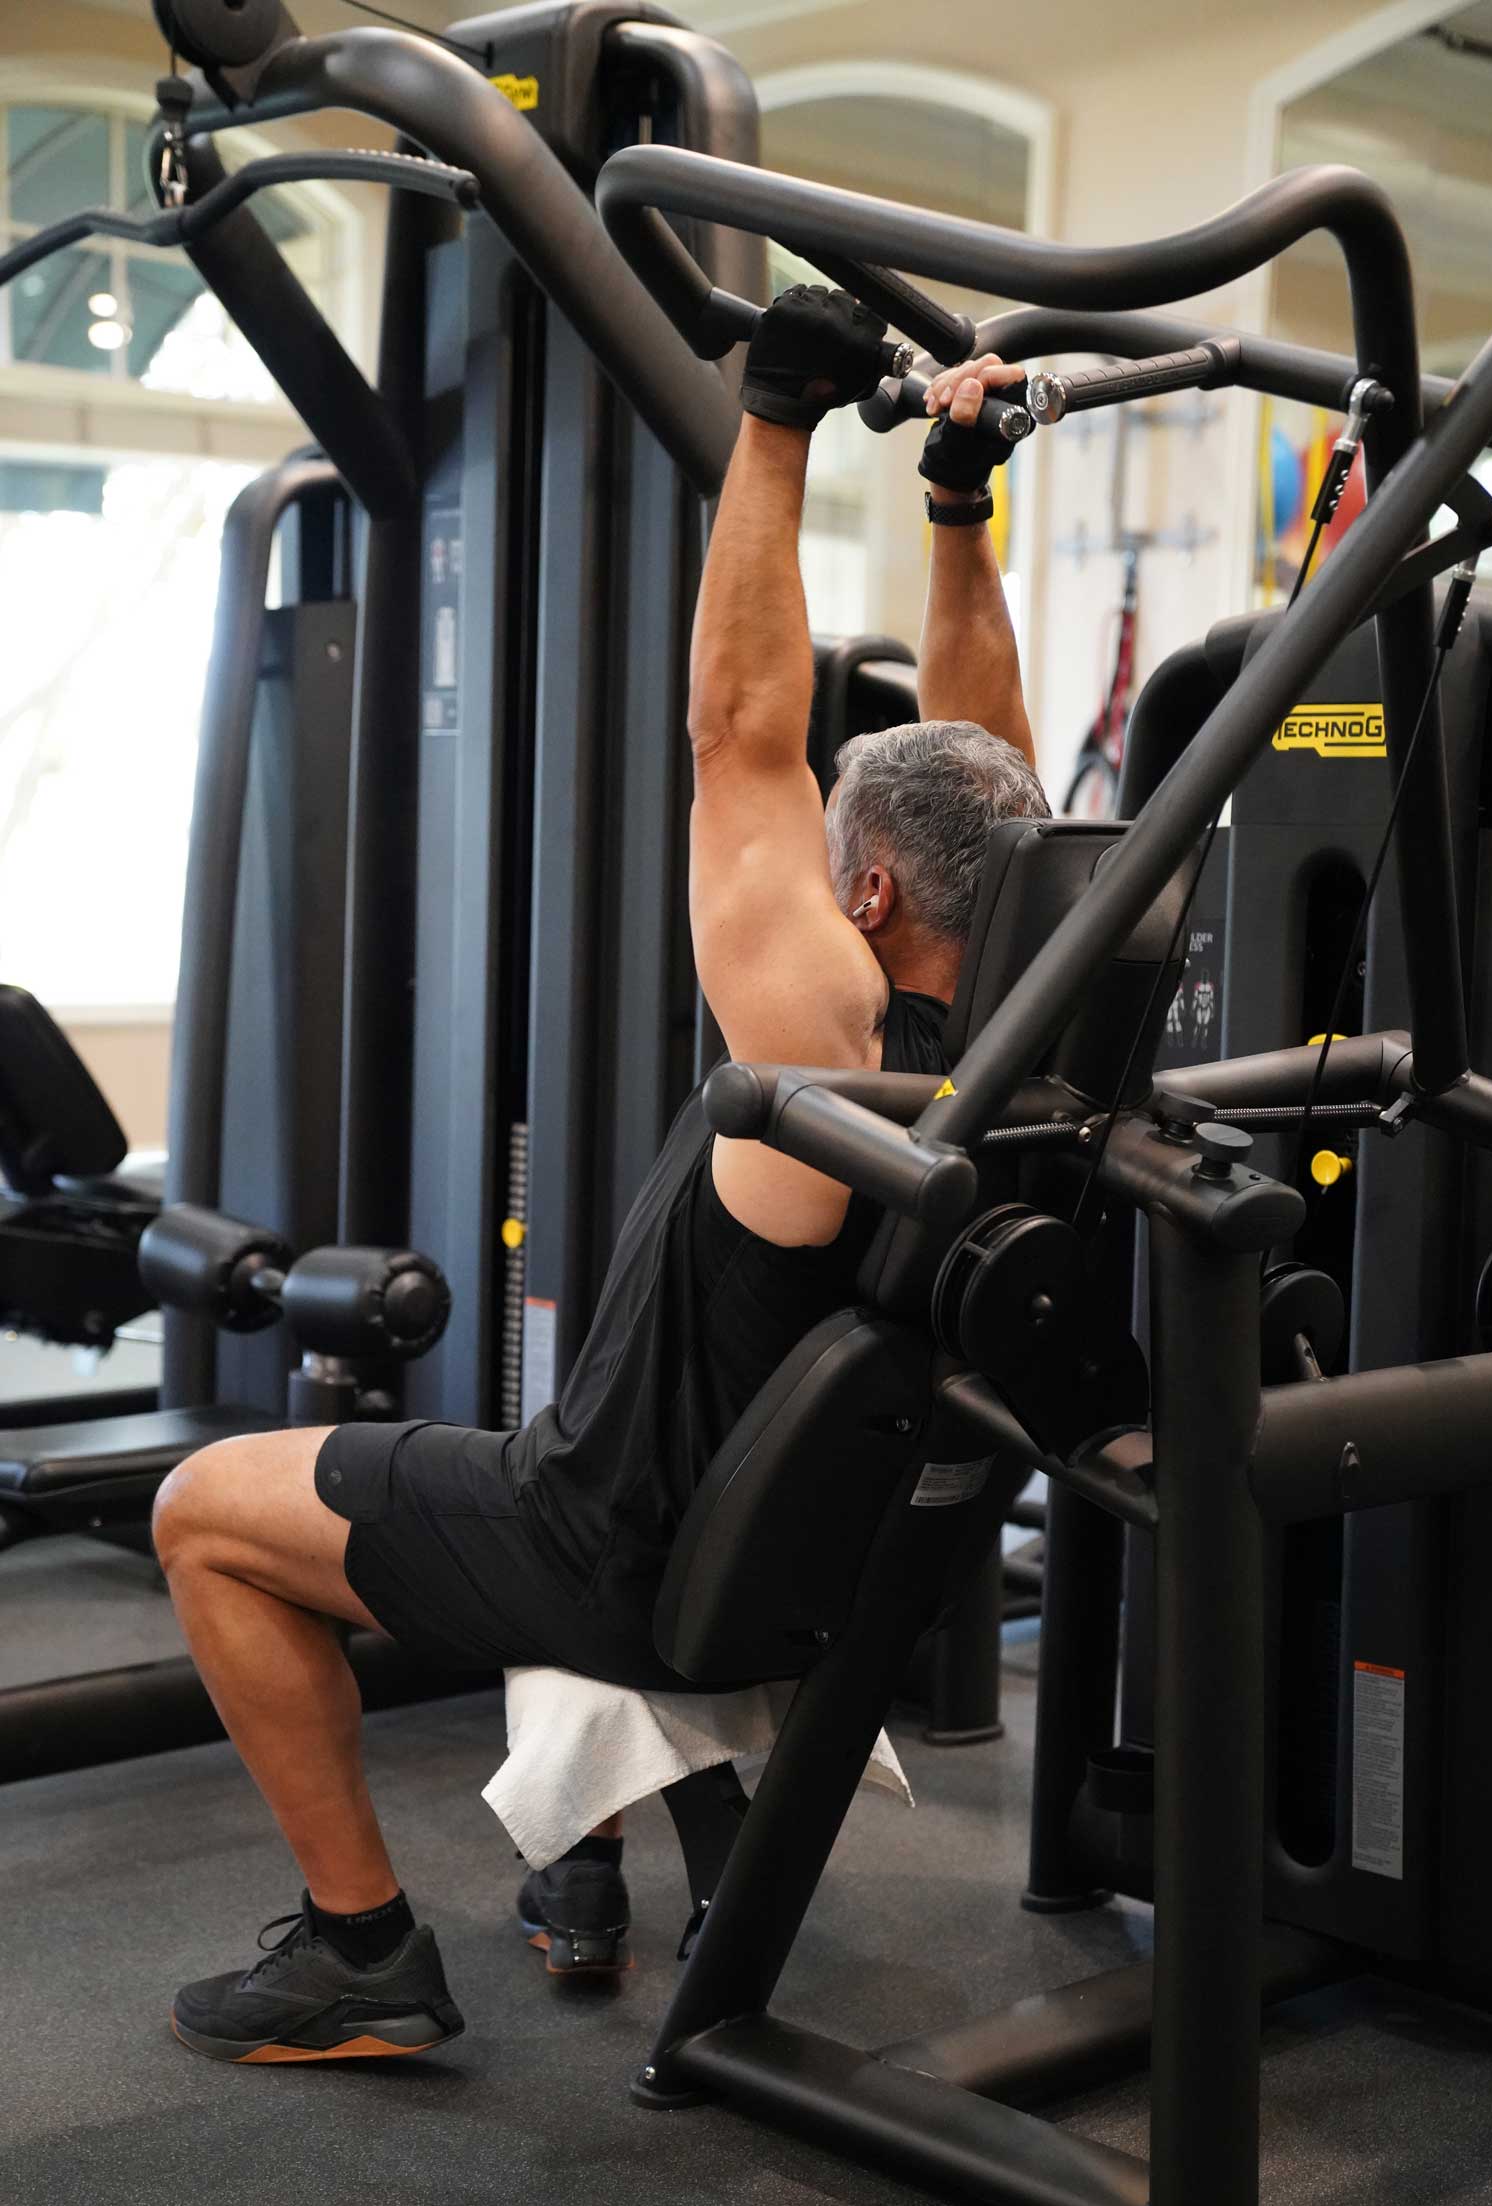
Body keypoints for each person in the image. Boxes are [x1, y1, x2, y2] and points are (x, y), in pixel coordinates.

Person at [152, 293, 1049, 2064]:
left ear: (860, 898)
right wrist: (956, 503)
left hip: (612, 1544)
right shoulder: (1029, 1036)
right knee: (572, 1397)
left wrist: (776, 425)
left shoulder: (830, 1044)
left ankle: (357, 1947)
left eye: (833, 847)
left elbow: (737, 736)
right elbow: (997, 786)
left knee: (201, 1516)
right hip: (823, 1553)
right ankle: (645, 1864)